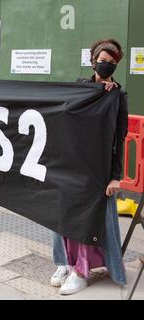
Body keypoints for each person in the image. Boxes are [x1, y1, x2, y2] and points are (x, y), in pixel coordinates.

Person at [51, 39, 128, 295]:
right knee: (61, 214)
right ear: (93, 61)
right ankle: (63, 262)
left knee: (86, 219)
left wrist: (115, 176)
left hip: (97, 170)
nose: (106, 66)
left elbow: (120, 138)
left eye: (112, 63)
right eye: (102, 61)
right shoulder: (80, 87)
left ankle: (80, 271)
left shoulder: (118, 96)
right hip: (70, 164)